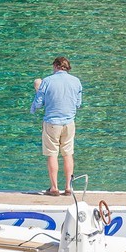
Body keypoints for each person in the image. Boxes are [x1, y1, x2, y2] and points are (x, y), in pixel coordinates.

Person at [30, 56, 84, 196]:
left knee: (52, 154)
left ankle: (54, 188)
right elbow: (78, 104)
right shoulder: (76, 81)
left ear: (55, 66)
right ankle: (68, 187)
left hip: (52, 123)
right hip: (69, 123)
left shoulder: (47, 81)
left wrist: (37, 90)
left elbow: (39, 103)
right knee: (68, 154)